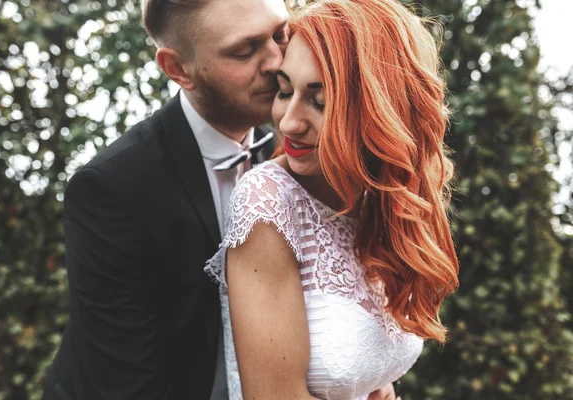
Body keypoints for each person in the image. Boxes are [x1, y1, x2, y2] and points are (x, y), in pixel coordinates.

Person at [204, 0, 460, 399]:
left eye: (319, 102)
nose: (288, 122)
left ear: (378, 112)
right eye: (284, 91)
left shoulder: (377, 202)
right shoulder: (268, 201)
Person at [41, 0, 289, 399]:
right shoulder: (110, 188)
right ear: (177, 69)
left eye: (280, 34)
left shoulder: (295, 148)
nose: (277, 61)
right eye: (245, 51)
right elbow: (125, 383)